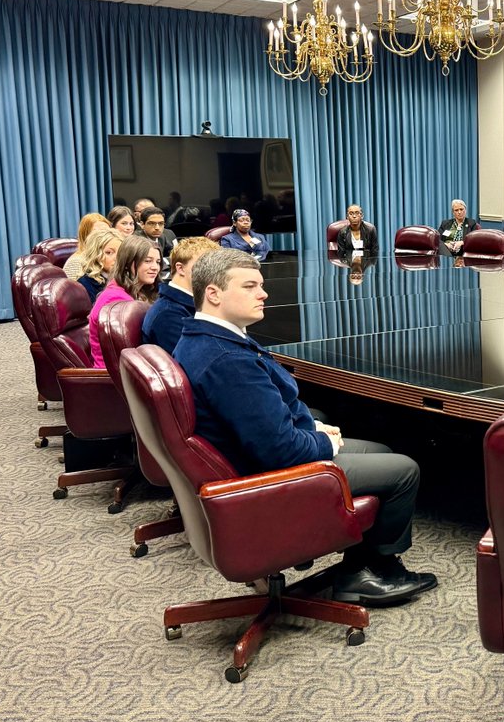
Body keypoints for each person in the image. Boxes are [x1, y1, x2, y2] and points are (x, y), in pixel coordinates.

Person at [173, 249, 436, 606]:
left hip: (263, 451)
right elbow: (279, 450)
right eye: (250, 286)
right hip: (271, 472)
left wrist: (310, 425)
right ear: (214, 294)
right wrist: (321, 441)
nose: (263, 294)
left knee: (382, 453)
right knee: (403, 471)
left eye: (261, 285)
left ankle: (367, 562)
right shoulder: (226, 360)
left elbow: (259, 414)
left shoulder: (209, 338)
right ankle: (364, 573)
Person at [88, 235, 161, 369]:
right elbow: (124, 352)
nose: (155, 267)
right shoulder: (116, 300)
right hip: (113, 378)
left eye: (157, 262)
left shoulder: (133, 291)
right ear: (128, 263)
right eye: (148, 261)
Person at [141, 236, 220, 351]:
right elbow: (196, 361)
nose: (212, 271)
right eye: (204, 265)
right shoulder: (168, 314)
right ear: (181, 269)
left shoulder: (189, 305)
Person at [77, 228, 122, 305]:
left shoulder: (127, 278)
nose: (117, 258)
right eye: (109, 252)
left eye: (121, 252)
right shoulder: (84, 284)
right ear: (95, 255)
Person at [61, 212, 109, 281]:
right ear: (85, 236)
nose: (104, 236)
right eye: (97, 233)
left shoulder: (108, 259)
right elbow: (70, 290)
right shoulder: (75, 263)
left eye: (107, 232)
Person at [137, 206, 177, 280]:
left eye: (161, 224)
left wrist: (163, 261)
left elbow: (177, 257)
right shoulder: (136, 240)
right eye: (152, 223)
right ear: (142, 224)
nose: (157, 228)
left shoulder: (163, 237)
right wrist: (165, 261)